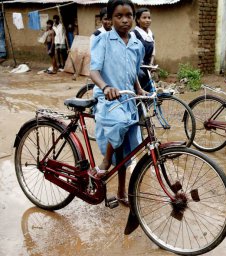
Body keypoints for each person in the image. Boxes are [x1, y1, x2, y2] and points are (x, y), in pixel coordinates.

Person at [88, 0, 146, 206]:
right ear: (110, 19)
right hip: (108, 99)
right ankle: (104, 161)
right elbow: (93, 71)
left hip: (128, 99)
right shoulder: (103, 40)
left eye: (128, 15)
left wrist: (139, 88)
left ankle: (121, 192)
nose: (124, 20)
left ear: (134, 17)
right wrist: (105, 87)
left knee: (126, 151)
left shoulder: (137, 43)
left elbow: (134, 71)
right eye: (119, 16)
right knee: (120, 123)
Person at [131, 7, 155, 92]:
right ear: (137, 20)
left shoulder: (151, 34)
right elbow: (132, 53)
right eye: (144, 18)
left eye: (149, 18)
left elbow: (153, 52)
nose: (147, 20)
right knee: (137, 92)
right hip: (137, 68)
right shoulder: (134, 34)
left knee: (148, 92)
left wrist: (151, 65)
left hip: (147, 67)